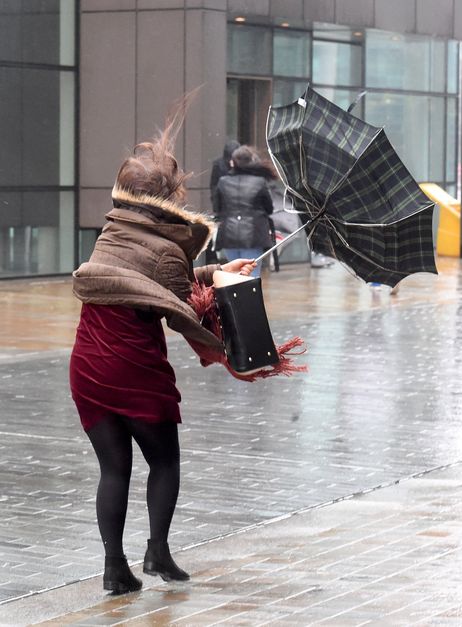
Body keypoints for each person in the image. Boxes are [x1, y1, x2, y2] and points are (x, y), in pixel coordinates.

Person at [69, 113, 255, 595]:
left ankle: (115, 567)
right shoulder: (168, 252)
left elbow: (161, 282)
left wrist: (214, 271)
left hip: (88, 366)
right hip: (133, 367)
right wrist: (226, 334)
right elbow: (177, 303)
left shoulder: (111, 233)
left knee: (114, 468)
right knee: (165, 463)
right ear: (166, 201)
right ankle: (158, 551)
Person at [214, 145, 276, 277]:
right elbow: (269, 208)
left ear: (233, 162)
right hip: (253, 236)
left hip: (229, 235)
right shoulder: (260, 182)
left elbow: (217, 209)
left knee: (233, 276)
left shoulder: (222, 182)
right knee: (251, 277)